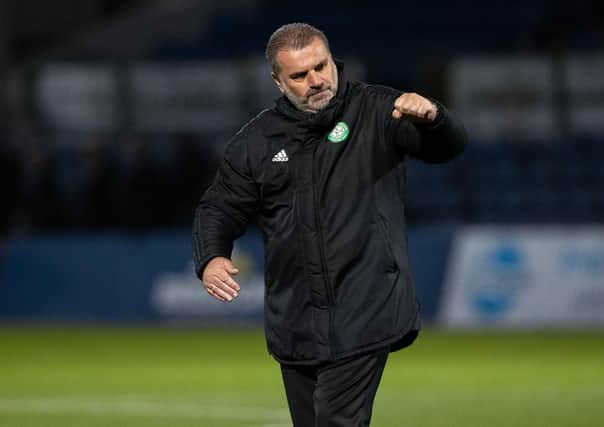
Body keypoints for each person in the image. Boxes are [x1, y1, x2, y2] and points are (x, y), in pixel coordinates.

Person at [192, 23, 467, 426]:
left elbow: (447, 148)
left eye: (321, 66)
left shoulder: (376, 110)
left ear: (332, 59)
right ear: (277, 80)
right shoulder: (256, 142)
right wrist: (212, 256)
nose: (316, 80)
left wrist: (434, 118)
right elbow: (219, 207)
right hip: (295, 319)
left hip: (366, 306)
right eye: (300, 75)